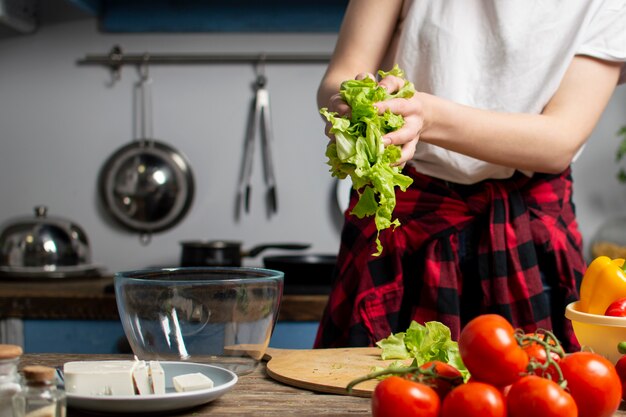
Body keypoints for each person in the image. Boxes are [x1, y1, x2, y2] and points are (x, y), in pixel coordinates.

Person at [315, 0, 626, 352]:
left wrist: (427, 116)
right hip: (407, 218)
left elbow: (560, 141)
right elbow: (341, 74)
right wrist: (352, 104)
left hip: (527, 226)